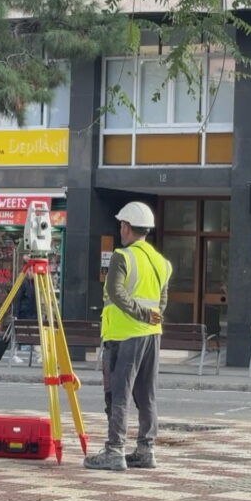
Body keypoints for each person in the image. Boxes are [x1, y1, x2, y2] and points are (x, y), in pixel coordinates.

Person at [84, 201, 171, 471]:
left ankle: (115, 450)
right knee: (147, 394)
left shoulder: (122, 257)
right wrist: (150, 317)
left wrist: (139, 314)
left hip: (124, 335)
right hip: (151, 336)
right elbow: (162, 301)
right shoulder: (162, 262)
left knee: (118, 394)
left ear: (126, 227)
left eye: (122, 225)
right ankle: (146, 450)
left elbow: (117, 294)